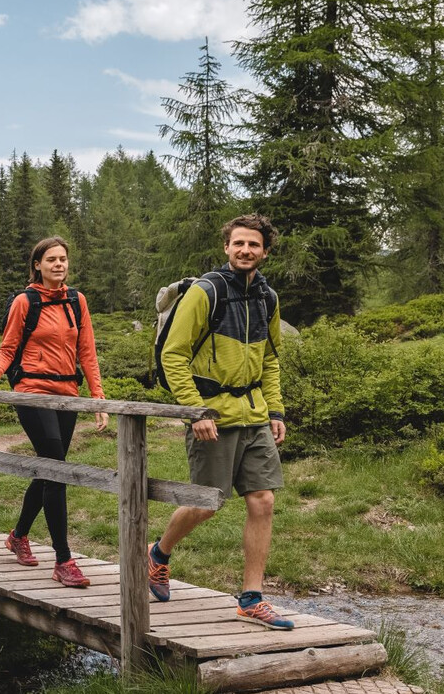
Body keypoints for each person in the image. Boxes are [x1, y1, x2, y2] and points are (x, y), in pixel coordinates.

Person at [148, 213, 294, 630]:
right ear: (227, 247)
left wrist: (276, 409)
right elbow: (172, 355)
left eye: (254, 245)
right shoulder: (205, 292)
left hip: (254, 416)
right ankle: (157, 554)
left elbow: (269, 358)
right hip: (212, 415)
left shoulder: (267, 297)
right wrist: (196, 409)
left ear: (265, 251)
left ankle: (251, 598)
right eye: (239, 243)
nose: (246, 250)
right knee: (205, 503)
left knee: (263, 501)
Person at [0, 236, 108, 587]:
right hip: (31, 391)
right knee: (56, 469)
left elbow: (87, 352)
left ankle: (18, 535)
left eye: (63, 259)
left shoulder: (77, 301)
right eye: (51, 260)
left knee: (49, 469)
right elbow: (7, 348)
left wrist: (98, 397)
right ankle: (63, 560)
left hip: (67, 394)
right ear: (38, 265)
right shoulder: (24, 301)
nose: (59, 265)